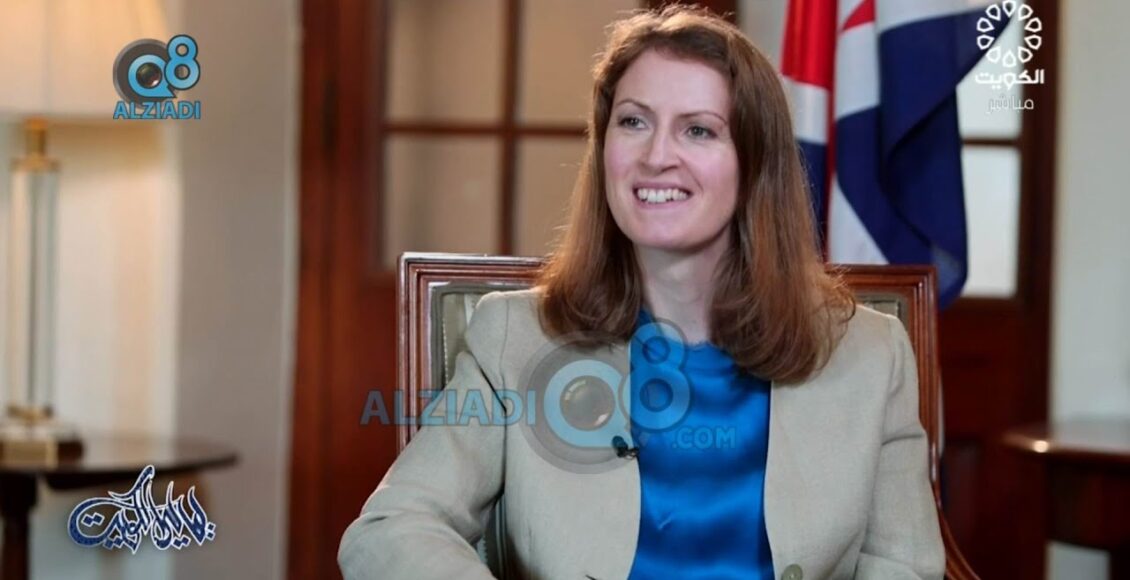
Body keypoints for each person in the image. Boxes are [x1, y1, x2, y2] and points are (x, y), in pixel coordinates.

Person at [339, 6, 944, 579]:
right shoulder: (514, 338)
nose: (657, 157)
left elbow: (905, 565)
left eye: (698, 130)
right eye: (633, 122)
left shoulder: (872, 353)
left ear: (754, 164)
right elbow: (391, 528)